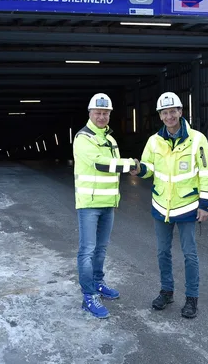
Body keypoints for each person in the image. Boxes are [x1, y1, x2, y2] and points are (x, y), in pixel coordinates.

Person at [131, 92, 208, 318]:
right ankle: (167, 292)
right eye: (165, 113)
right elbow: (149, 168)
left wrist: (205, 204)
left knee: (190, 255)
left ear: (180, 112)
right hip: (161, 206)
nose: (169, 116)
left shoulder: (198, 140)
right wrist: (139, 169)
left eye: (173, 111)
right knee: (162, 253)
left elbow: (207, 173)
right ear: (160, 116)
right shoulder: (153, 141)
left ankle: (191, 299)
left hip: (188, 206)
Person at [73, 92, 138, 319]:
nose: (102, 117)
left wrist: (114, 199)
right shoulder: (83, 138)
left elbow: (112, 174)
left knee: (101, 249)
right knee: (87, 250)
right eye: (98, 113)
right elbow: (101, 164)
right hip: (89, 204)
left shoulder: (111, 140)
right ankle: (88, 295)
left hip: (108, 204)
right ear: (90, 113)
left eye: (105, 113)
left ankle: (98, 283)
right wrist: (130, 164)